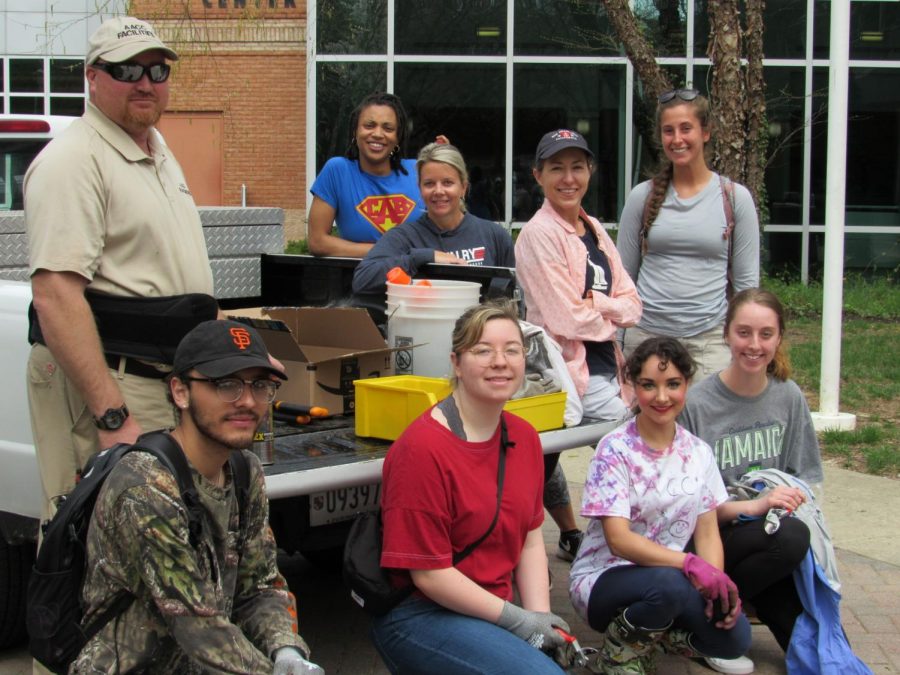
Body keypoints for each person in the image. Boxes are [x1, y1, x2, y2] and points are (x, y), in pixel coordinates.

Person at [25, 16, 221, 522]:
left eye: (157, 70)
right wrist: (112, 414)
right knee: (99, 539)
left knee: (162, 539)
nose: (145, 82)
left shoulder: (156, 151)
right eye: (126, 69)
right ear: (92, 77)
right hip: (115, 382)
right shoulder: (73, 161)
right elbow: (55, 295)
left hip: (163, 379)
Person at [72, 319, 322, 674]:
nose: (248, 401)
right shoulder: (146, 487)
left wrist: (286, 651)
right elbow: (197, 624)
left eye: (261, 385)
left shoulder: (244, 471)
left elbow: (260, 585)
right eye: (227, 385)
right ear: (180, 392)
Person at [371, 300, 569, 674]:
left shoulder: (525, 438)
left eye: (512, 350)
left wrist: (541, 619)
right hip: (421, 612)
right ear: (456, 363)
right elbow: (429, 574)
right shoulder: (422, 449)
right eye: (483, 350)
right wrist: (517, 620)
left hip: (491, 609)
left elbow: (529, 537)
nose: (500, 361)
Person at [569, 337, 751, 674]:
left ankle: (645, 642)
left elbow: (708, 533)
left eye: (673, 384)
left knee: (734, 637)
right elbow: (618, 540)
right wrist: (689, 564)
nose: (662, 397)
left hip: (673, 580)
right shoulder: (614, 449)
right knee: (667, 586)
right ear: (632, 387)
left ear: (687, 384)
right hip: (604, 579)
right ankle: (617, 656)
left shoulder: (698, 452)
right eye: (649, 385)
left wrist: (716, 583)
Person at [680, 288, 824, 663]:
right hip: (710, 534)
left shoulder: (788, 396)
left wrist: (790, 501)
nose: (755, 345)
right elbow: (689, 504)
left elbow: (804, 477)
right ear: (726, 334)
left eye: (766, 334)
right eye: (744, 333)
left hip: (767, 537)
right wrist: (755, 506)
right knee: (791, 539)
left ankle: (724, 611)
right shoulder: (697, 403)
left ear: (779, 338)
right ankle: (707, 621)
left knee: (818, 654)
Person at [616, 89, 760, 381]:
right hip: (646, 336)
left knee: (708, 426)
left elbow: (746, 288)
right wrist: (617, 343)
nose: (677, 139)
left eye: (686, 129)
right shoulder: (641, 197)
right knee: (647, 425)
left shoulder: (734, 199)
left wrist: (743, 342)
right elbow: (622, 281)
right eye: (668, 131)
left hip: (709, 341)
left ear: (705, 133)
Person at [516, 128, 642, 423]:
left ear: (590, 171)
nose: (568, 179)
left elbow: (634, 306)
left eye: (577, 167)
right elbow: (567, 320)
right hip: (575, 377)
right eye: (557, 168)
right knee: (638, 448)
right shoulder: (539, 234)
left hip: (613, 368)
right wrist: (613, 317)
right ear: (538, 175)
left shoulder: (595, 228)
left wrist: (596, 303)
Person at [352, 142, 515, 296]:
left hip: (478, 325)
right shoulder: (403, 237)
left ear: (463, 188)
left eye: (447, 183)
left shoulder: (495, 236)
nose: (438, 191)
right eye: (429, 183)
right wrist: (423, 258)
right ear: (420, 189)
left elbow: (511, 295)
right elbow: (362, 280)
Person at [307, 92, 447, 257]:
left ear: (397, 137)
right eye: (369, 125)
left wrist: (447, 166)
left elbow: (449, 225)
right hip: (360, 278)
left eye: (388, 128)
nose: (378, 134)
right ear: (355, 131)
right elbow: (317, 242)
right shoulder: (338, 171)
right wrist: (392, 251)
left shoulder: (419, 170)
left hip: (418, 280)